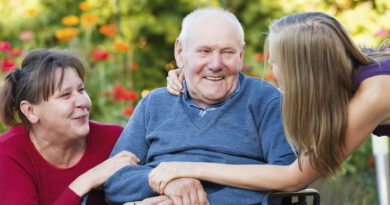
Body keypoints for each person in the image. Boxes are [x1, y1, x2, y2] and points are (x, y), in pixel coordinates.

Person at [149, 11, 390, 194]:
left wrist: (190, 167)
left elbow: (295, 177)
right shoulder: (354, 74)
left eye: (275, 62)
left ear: (302, 70)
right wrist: (192, 75)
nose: (272, 69)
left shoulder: (377, 92)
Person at [103, 7, 296, 205]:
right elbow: (115, 179)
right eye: (204, 51)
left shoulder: (265, 100)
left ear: (241, 54)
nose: (216, 64)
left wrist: (187, 200)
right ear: (180, 52)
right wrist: (167, 185)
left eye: (227, 52)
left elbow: (287, 178)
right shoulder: (154, 103)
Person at [0, 48, 140, 205]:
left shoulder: (115, 139)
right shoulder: (8, 153)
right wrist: (86, 181)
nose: (83, 102)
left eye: (81, 90)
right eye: (65, 95)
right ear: (30, 111)